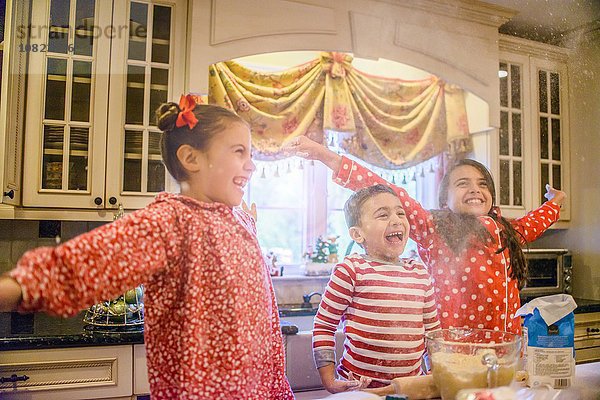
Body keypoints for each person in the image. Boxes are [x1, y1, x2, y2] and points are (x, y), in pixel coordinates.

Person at [0, 95, 294, 400]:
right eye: (239, 152)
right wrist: (18, 286)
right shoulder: (170, 222)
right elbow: (90, 262)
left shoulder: (240, 220)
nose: (251, 166)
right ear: (191, 159)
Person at [286, 136, 566, 335]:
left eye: (483, 184)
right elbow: (385, 189)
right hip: (451, 352)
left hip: (507, 349)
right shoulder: (434, 227)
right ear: (444, 199)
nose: (475, 189)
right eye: (462, 183)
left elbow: (538, 220)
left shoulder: (508, 230)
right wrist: (327, 156)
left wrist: (556, 202)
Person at [312, 184, 440, 393]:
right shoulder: (351, 270)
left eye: (400, 213)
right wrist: (329, 380)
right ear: (357, 234)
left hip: (409, 389)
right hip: (360, 390)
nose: (397, 220)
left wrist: (434, 374)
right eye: (383, 215)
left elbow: (433, 333)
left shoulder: (419, 271)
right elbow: (324, 326)